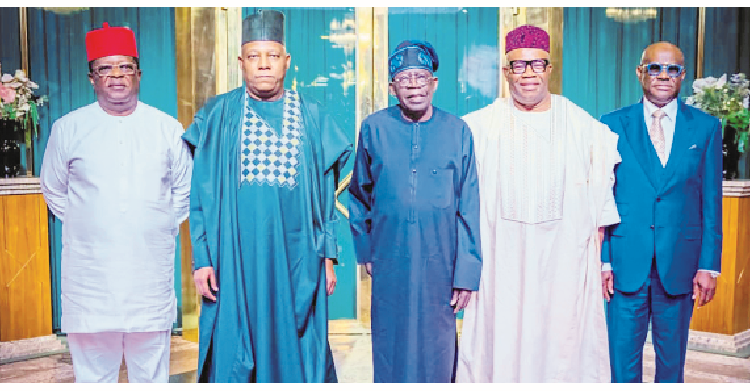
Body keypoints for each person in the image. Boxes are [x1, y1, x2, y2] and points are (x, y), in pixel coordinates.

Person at [185, 10, 352, 383]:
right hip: (234, 257)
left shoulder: (313, 116)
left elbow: (326, 196)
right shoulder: (217, 116)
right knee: (235, 343)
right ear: (240, 62)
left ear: (287, 62)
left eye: (272, 56)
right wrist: (202, 259)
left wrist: (328, 256)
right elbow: (201, 194)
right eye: (254, 57)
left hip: (298, 257)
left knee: (297, 340)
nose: (263, 65)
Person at [455, 25, 621, 382]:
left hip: (564, 266)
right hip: (501, 267)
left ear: (549, 68)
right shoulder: (478, 127)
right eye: (518, 66)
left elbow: (603, 195)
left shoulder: (582, 126)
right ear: (505, 72)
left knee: (562, 345)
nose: (528, 73)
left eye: (536, 64)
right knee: (499, 345)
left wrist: (600, 254)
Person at [39, 23, 192, 383]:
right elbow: (53, 190)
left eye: (124, 67)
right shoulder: (68, 128)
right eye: (105, 68)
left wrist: (151, 224)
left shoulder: (167, 127)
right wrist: (93, 223)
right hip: (90, 276)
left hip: (148, 272)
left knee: (151, 371)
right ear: (92, 78)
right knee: (93, 372)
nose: (117, 76)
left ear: (139, 73)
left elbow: (183, 192)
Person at [349, 39, 482, 383]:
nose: (413, 85)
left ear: (434, 84)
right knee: (390, 344)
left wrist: (466, 273)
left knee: (437, 348)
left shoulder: (458, 131)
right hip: (389, 259)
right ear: (392, 87)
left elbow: (469, 203)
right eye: (404, 79)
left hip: (441, 261)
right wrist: (365, 250)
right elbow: (359, 195)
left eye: (421, 77)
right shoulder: (374, 128)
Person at [600, 41, 722, 383]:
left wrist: (709, 264)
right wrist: (604, 259)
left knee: (672, 366)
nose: (663, 75)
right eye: (655, 67)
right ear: (641, 73)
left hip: (679, 263)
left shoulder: (706, 127)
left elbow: (711, 201)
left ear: (683, 75)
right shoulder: (610, 125)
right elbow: (601, 197)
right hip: (625, 262)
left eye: (672, 69)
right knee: (621, 363)